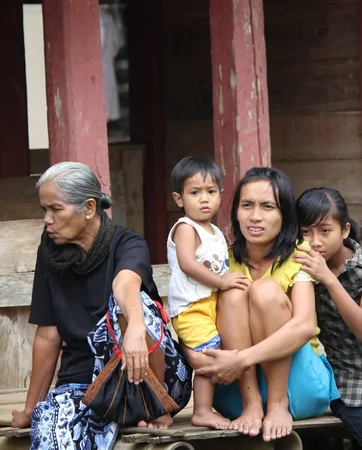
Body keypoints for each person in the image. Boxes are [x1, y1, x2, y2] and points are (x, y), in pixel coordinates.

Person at [11, 161, 191, 450]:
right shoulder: (49, 253)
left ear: (90, 208)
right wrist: (31, 409)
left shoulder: (127, 243)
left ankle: (156, 408)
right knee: (49, 432)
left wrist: (134, 327)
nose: (47, 219)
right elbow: (48, 335)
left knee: (130, 305)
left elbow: (125, 285)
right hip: (83, 382)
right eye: (44, 210)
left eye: (55, 209)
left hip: (152, 374)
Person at [196, 167, 339, 442]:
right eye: (247, 205)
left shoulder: (300, 256)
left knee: (264, 291)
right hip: (237, 391)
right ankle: (253, 405)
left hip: (299, 387)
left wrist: (242, 358)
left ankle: (276, 404)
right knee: (233, 291)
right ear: (235, 212)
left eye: (268, 207)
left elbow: (305, 326)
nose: (255, 216)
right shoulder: (221, 260)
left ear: (284, 215)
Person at [295, 187, 362, 450]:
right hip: (352, 388)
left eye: (325, 230)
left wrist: (328, 278)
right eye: (305, 231)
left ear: (345, 230)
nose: (315, 241)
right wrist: (323, 276)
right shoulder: (301, 272)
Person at [167, 156, 250, 430]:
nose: (204, 199)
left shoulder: (214, 230)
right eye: (195, 193)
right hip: (191, 307)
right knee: (208, 356)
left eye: (211, 192)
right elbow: (188, 264)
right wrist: (222, 282)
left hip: (210, 304)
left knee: (218, 351)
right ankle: (201, 410)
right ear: (179, 199)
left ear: (221, 195)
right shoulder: (185, 228)